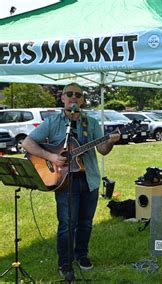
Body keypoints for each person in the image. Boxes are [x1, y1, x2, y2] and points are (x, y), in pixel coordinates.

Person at [22, 83, 121, 278]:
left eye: (78, 95)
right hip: (64, 181)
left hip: (89, 179)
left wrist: (109, 141)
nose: (73, 97)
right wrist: (51, 157)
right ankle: (65, 263)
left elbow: (102, 150)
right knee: (67, 223)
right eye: (70, 94)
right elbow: (27, 143)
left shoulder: (91, 122)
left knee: (85, 222)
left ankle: (81, 255)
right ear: (63, 98)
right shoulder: (53, 122)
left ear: (83, 100)